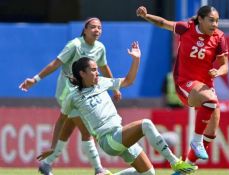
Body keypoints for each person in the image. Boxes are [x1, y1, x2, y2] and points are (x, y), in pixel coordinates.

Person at [58, 42, 197, 175]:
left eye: (97, 69)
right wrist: (53, 147)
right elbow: (61, 120)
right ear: (82, 73)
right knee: (146, 124)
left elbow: (128, 81)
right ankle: (175, 162)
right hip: (108, 140)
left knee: (149, 173)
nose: (98, 73)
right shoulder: (73, 96)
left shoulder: (101, 82)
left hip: (119, 134)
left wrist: (136, 60)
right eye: (93, 70)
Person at [19, 17, 121, 175]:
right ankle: (98, 169)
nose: (97, 30)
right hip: (68, 94)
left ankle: (47, 164)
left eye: (99, 28)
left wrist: (115, 89)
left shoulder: (100, 48)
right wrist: (35, 79)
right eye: (93, 27)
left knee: (68, 128)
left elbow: (104, 66)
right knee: (86, 130)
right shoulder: (75, 45)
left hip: (83, 94)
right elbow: (56, 63)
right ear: (85, 30)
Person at [136, 5, 229, 164]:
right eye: (211, 20)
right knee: (211, 101)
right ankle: (196, 140)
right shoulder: (186, 28)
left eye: (217, 21)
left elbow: (225, 65)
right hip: (184, 82)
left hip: (204, 86)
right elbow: (163, 23)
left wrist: (218, 72)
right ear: (200, 19)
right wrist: (146, 16)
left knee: (212, 130)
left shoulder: (219, 37)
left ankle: (187, 167)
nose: (215, 24)